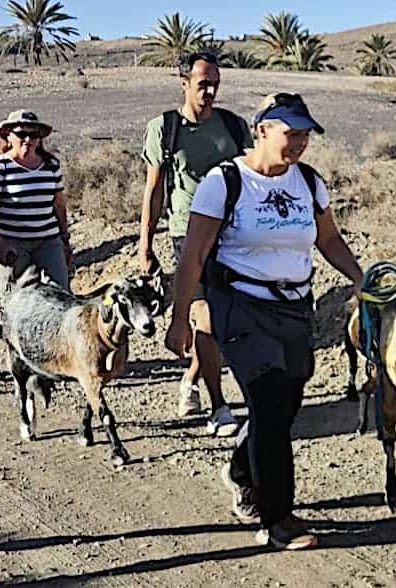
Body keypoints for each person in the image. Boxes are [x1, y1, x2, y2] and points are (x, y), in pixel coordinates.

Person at [165, 93, 363, 550]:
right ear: (262, 130)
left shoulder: (309, 183)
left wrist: (360, 278)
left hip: (295, 307)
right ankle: (277, 518)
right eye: (290, 133)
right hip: (239, 304)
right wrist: (180, 319)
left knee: (284, 405)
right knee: (270, 400)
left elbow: (329, 239)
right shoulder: (226, 181)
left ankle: (239, 470)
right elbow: (193, 255)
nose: (298, 143)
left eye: (305, 135)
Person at [140, 52, 252, 436]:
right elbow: (154, 191)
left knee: (225, 323)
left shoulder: (234, 128)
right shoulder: (165, 128)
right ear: (184, 82)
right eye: (203, 83)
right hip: (187, 234)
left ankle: (191, 379)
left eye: (215, 83)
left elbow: (251, 179)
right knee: (204, 317)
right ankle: (219, 407)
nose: (210, 90)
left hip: (232, 233)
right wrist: (145, 244)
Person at [0, 110, 72, 296]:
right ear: (9, 136)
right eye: (21, 134)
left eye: (33, 134)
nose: (28, 139)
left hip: (48, 241)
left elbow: (59, 205)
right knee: (14, 298)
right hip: (13, 242)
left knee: (61, 294)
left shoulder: (51, 166)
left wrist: (64, 240)